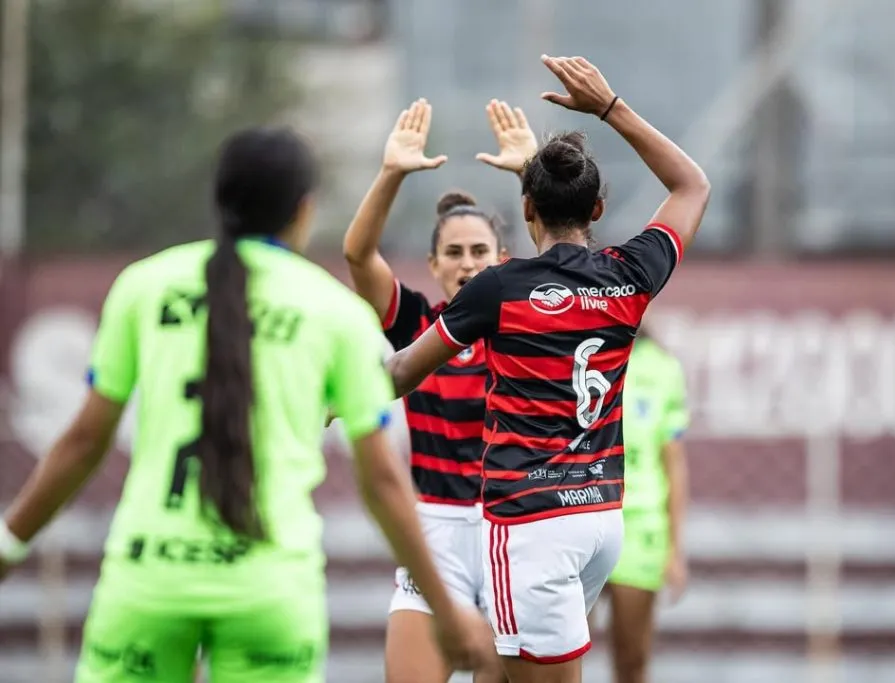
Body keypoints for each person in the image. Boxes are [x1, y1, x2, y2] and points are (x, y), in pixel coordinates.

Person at [0, 127, 492, 682]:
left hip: (148, 580)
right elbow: (380, 479)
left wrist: (10, 542)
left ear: (219, 199)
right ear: (303, 212)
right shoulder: (333, 310)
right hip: (270, 587)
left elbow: (83, 442)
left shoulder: (144, 286)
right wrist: (446, 609)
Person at [385, 55, 711, 683]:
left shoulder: (495, 288)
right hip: (599, 519)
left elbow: (402, 373)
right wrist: (611, 108)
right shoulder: (630, 276)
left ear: (526, 207)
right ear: (597, 209)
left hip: (531, 524)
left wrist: (330, 396)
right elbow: (692, 185)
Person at [343, 96, 537, 683]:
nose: (468, 264)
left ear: (502, 260)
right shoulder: (417, 324)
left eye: (480, 252)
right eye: (454, 253)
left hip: (513, 531)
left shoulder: (529, 322)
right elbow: (357, 254)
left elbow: (575, 255)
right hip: (435, 534)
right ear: (434, 264)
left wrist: (534, 173)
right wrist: (392, 172)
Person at [598, 325, 690, 683]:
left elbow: (674, 462)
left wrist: (676, 550)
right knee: (556, 655)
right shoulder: (572, 349)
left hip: (639, 526)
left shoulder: (664, 368)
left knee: (631, 659)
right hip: (575, 512)